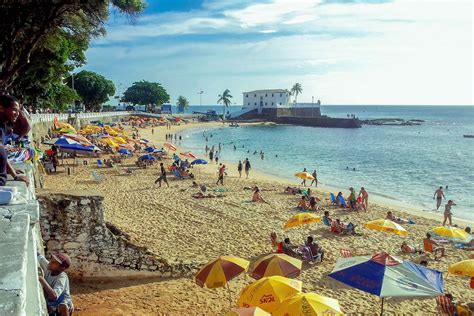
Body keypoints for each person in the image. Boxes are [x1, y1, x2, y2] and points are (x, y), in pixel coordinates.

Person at [0, 95, 30, 186]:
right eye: (14, 110)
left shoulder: (2, 126)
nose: (17, 114)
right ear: (1, 108)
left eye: (18, 111)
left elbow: (2, 153)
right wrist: (15, 175)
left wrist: (13, 173)